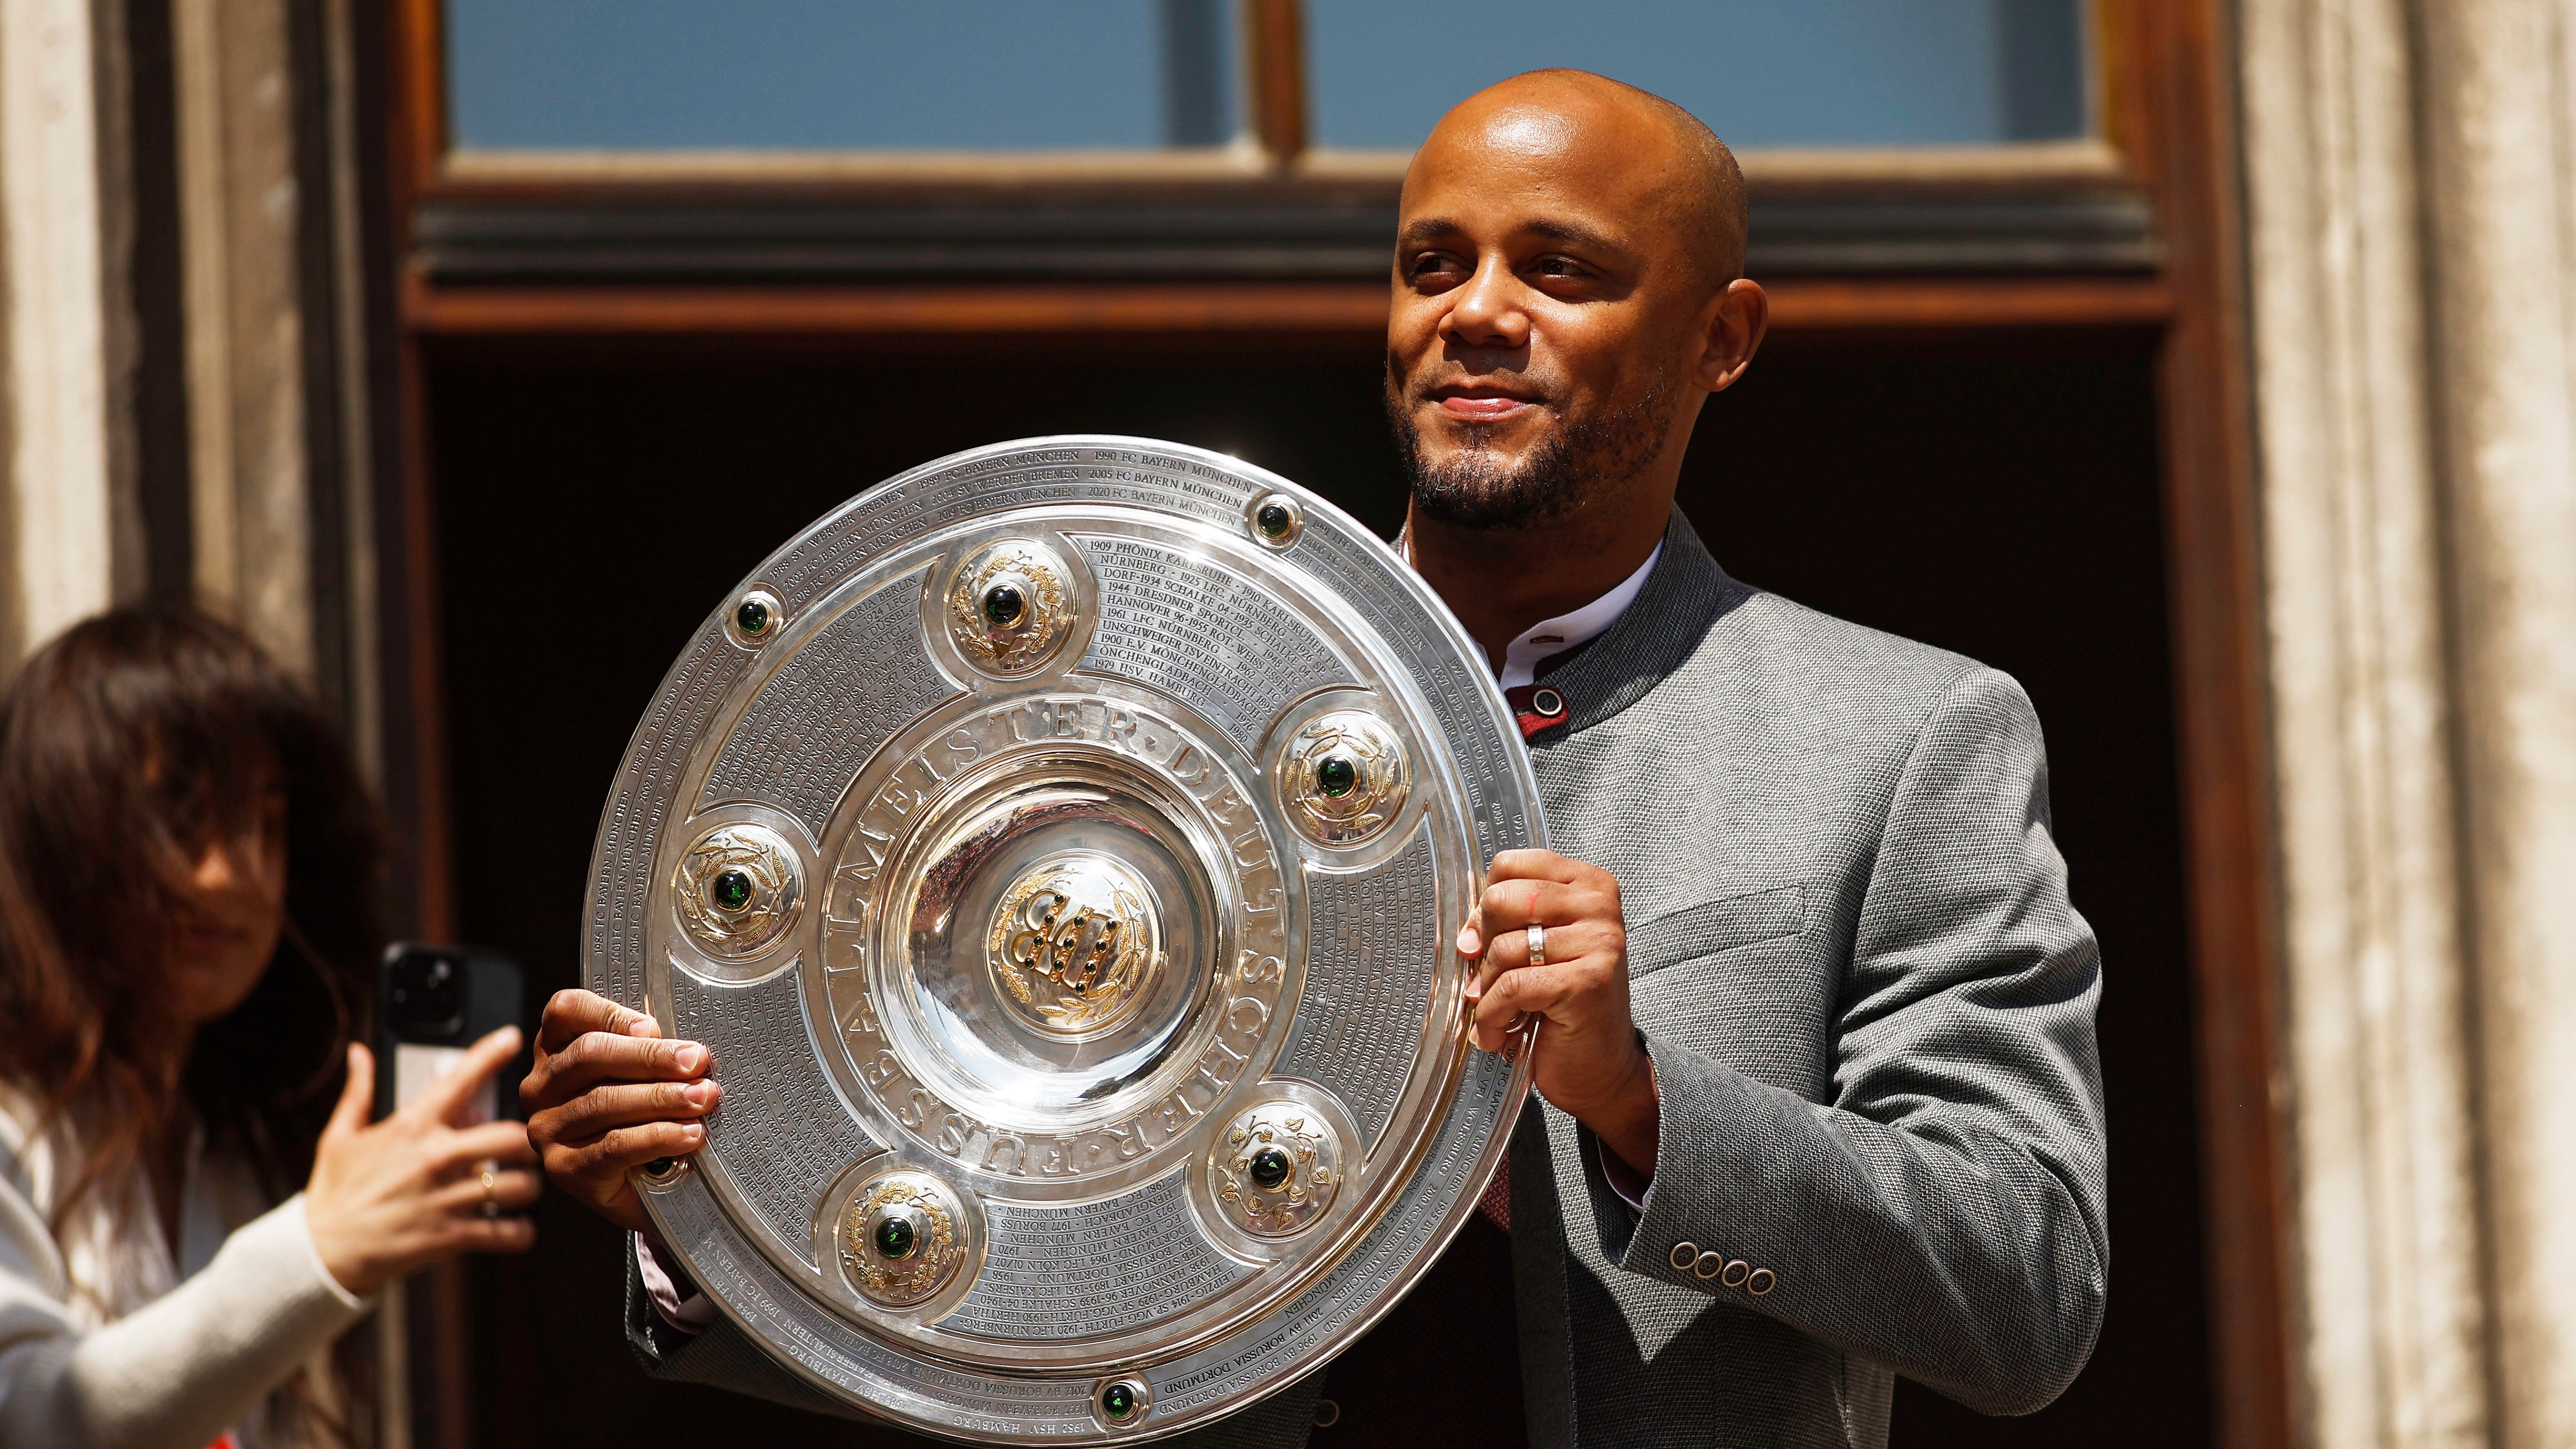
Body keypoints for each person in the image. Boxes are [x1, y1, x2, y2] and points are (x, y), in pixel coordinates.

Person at [524, 69, 2107, 1448]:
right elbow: (1020, 1317)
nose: (1473, 310)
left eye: (1559, 269)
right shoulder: (1128, 686)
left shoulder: (1901, 737)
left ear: (1721, 338)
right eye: (1432, 262)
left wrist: (1639, 1106)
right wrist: (703, 1207)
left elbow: (2025, 1286)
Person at [0, 607, 541, 1448]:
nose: (231, 875)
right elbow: (28, 1416)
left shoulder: (228, 1162)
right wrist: (318, 1249)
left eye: (266, 823)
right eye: (178, 815)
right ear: (57, 827)